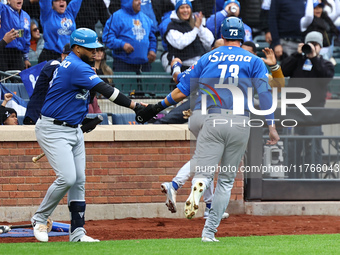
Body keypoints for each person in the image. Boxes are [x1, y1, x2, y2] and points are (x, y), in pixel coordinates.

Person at [136, 17, 280, 242]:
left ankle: (197, 186)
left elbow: (181, 91)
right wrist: (271, 126)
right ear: (243, 38)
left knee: (203, 168)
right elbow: (265, 95)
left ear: (222, 36)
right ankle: (209, 232)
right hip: (240, 122)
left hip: (211, 118)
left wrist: (156, 107)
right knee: (225, 181)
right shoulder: (254, 60)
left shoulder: (207, 57)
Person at [30, 28, 145, 243]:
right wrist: (135, 106)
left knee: (79, 181)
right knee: (67, 178)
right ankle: (39, 218)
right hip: (53, 129)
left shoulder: (80, 66)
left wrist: (83, 120)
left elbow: (75, 98)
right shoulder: (74, 65)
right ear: (76, 48)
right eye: (90, 49)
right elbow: (107, 90)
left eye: (96, 48)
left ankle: (77, 233)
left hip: (72, 128)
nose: (95, 52)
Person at [281, 31, 334, 179]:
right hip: (294, 112)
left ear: (320, 47)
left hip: (314, 114)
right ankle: (292, 179)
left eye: (315, 45)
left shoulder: (325, 63)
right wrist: (298, 54)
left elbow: (325, 77)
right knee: (292, 147)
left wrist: (314, 58)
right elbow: (283, 70)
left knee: (313, 147)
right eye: (310, 44)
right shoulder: (297, 61)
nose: (312, 47)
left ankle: (313, 179)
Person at [102, 0, 157, 73]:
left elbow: (152, 38)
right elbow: (107, 38)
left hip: (144, 66)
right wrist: (122, 44)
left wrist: (152, 50)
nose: (140, 2)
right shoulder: (116, 17)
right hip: (123, 65)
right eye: (136, 0)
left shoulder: (146, 19)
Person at [23, 43, 72, 125]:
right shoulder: (53, 64)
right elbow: (60, 72)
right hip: (35, 116)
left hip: (50, 119)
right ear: (63, 56)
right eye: (69, 55)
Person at [163, 0, 214, 71]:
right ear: (177, 10)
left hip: (199, 66)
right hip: (182, 67)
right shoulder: (172, 26)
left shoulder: (195, 23)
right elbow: (180, 43)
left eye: (187, 7)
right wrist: (196, 29)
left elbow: (209, 40)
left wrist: (200, 28)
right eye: (182, 8)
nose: (185, 10)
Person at [0, 0, 31, 71]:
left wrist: (26, 58)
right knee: (4, 79)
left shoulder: (26, 16)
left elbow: (26, 37)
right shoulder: (3, 10)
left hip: (18, 55)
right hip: (3, 52)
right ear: (8, 0)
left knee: (18, 80)